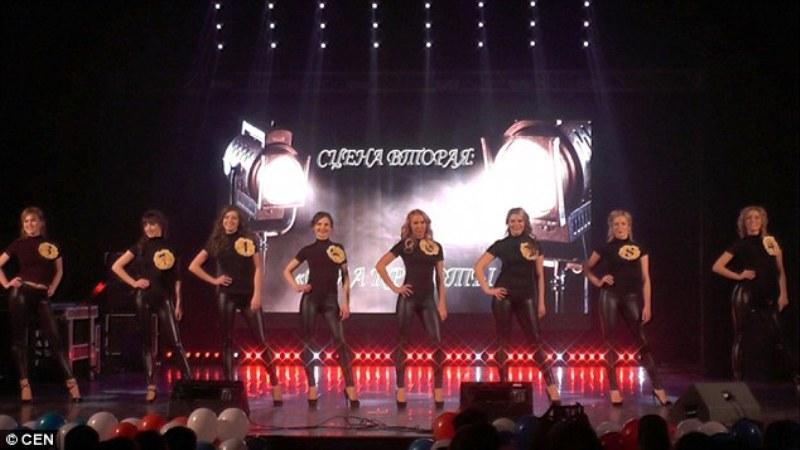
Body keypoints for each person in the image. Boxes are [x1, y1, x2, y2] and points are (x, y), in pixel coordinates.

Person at [188, 205, 282, 405]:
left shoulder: (250, 239)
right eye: (226, 218)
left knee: (261, 340)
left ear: (239, 222)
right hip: (227, 295)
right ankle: (229, 386)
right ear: (222, 221)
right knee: (227, 342)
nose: (229, 221)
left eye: (234, 218)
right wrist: (214, 280)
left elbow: (258, 268)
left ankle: (275, 383)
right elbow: (193, 266)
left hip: (248, 294)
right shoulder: (216, 241)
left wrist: (257, 294)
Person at [473, 207, 560, 404]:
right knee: (503, 342)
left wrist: (541, 302)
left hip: (526, 296)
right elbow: (478, 266)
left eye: (519, 221)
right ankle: (504, 385)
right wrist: (488, 289)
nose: (516, 224)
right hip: (504, 296)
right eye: (512, 221)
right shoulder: (502, 245)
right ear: (508, 223)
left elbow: (540, 276)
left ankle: (551, 385)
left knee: (535, 341)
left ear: (525, 223)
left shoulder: (534, 245)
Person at [583, 209, 668, 406]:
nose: (620, 227)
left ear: (629, 227)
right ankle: (614, 388)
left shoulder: (640, 248)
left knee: (642, 340)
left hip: (631, 297)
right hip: (609, 296)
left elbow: (646, 279)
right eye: (616, 224)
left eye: (623, 224)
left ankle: (658, 386)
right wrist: (598, 281)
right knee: (610, 343)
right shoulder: (605, 247)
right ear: (611, 227)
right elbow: (586, 267)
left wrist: (647, 305)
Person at [0, 207, 81, 402]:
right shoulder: (18, 244)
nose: (30, 224)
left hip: (42, 295)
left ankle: (72, 384)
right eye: (26, 221)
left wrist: (53, 286)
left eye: (33, 220)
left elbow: (59, 270)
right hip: (21, 292)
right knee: (21, 339)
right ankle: (24, 384)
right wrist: (6, 284)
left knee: (55, 339)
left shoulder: (51, 245)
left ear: (41, 223)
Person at [712, 205, 798, 386]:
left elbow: (780, 271)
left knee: (779, 335)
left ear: (762, 221)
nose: (753, 221)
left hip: (769, 295)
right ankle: (738, 379)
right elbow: (717, 266)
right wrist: (739, 275)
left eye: (756, 217)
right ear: (744, 222)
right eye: (749, 218)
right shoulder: (741, 244)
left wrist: (784, 294)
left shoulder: (771, 243)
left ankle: (793, 378)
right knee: (742, 337)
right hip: (746, 295)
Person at [111, 210, 192, 401]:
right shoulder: (139, 247)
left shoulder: (172, 247)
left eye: (152, 224)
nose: (149, 228)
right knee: (147, 343)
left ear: (161, 225)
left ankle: (189, 381)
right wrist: (134, 282)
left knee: (176, 342)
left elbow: (178, 278)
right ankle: (151, 386)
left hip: (164, 298)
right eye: (146, 225)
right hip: (144, 297)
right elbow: (116, 266)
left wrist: (178, 303)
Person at [282, 211, 358, 407]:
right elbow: (287, 270)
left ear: (331, 228)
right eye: (319, 224)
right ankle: (312, 386)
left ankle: (350, 386)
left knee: (340, 341)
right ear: (313, 227)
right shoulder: (307, 250)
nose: (322, 228)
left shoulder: (338, 249)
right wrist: (297, 286)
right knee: (308, 342)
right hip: (310, 299)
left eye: (326, 224)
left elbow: (345, 277)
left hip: (331, 300)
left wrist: (346, 302)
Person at [375, 209, 447, 407]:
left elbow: (440, 278)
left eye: (422, 222)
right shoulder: (405, 245)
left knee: (437, 343)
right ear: (410, 226)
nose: (419, 226)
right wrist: (395, 287)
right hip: (408, 299)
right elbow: (380, 265)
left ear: (427, 225)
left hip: (428, 300)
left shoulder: (435, 247)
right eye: (415, 223)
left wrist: (442, 302)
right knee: (402, 343)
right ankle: (400, 388)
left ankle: (438, 389)